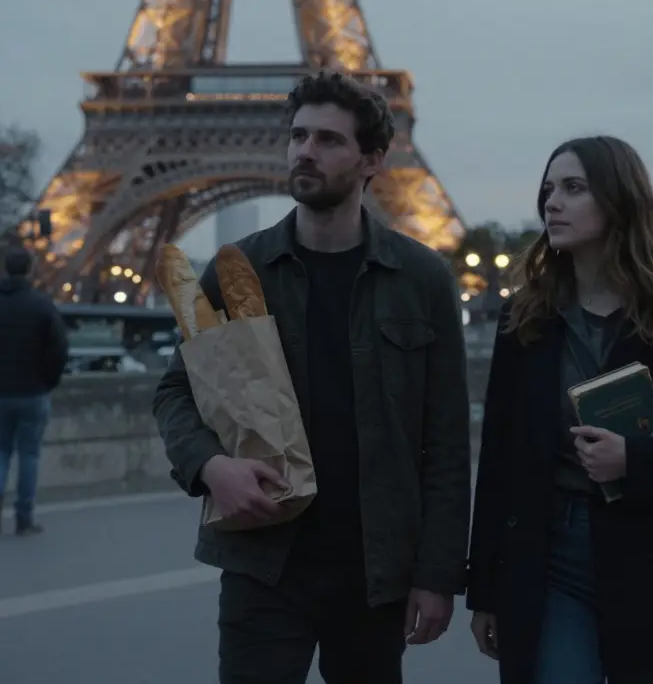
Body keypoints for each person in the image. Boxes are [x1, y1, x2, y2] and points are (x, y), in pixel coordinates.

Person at [153, 70, 471, 684]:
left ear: (372, 159)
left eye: (328, 139)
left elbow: (447, 443)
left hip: (373, 570)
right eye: (298, 135)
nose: (305, 150)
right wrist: (210, 467)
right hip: (263, 562)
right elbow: (175, 390)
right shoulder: (237, 268)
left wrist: (436, 576)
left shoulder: (422, 279)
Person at [465, 136, 653, 683]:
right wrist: (485, 590)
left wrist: (636, 460)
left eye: (573, 188)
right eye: (548, 189)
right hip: (547, 554)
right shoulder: (526, 316)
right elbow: (500, 461)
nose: (551, 202)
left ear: (619, 199)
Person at [0, 247, 69, 537]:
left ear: (5, 269)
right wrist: (48, 381)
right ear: (30, 270)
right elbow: (59, 349)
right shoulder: (42, 306)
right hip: (33, 391)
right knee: (29, 455)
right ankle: (23, 517)